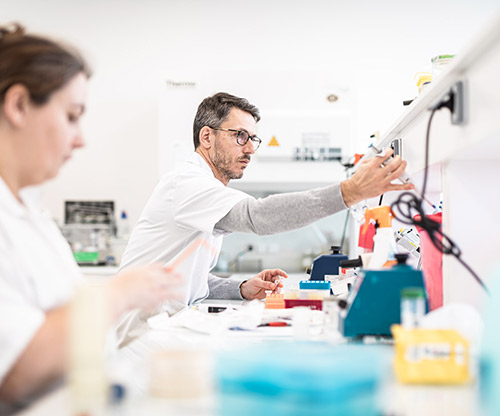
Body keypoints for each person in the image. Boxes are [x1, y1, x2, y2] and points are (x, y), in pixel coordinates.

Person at [0, 24, 179, 410]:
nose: (80, 139)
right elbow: (13, 372)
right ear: (18, 106)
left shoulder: (30, 214)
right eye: (71, 116)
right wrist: (117, 294)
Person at [120, 92, 414, 310]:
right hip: (142, 336)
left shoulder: (206, 190)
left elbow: (188, 281)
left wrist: (242, 288)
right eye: (239, 136)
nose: (250, 149)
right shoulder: (186, 183)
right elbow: (257, 216)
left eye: (253, 139)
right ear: (206, 136)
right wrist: (350, 191)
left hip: (164, 329)